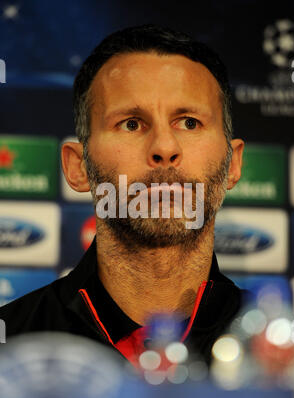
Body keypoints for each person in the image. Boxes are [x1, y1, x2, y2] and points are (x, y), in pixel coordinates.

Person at [0, 24, 245, 368]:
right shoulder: (10, 346)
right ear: (78, 167)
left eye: (188, 122)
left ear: (233, 164)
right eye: (131, 123)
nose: (164, 147)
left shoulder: (281, 356)